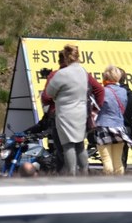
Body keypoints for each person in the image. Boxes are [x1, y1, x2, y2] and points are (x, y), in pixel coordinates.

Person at [43, 44, 102, 175]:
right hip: (81, 113)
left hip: (65, 114)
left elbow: (48, 93)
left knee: (68, 145)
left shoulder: (61, 74)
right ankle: (85, 173)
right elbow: (98, 89)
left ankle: (72, 174)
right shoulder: (83, 71)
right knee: (80, 144)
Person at [94, 66, 132, 175]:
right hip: (119, 128)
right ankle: (119, 184)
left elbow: (97, 108)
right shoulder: (123, 92)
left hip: (104, 127)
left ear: (105, 77)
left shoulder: (102, 91)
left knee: (107, 160)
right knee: (118, 162)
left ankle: (108, 184)